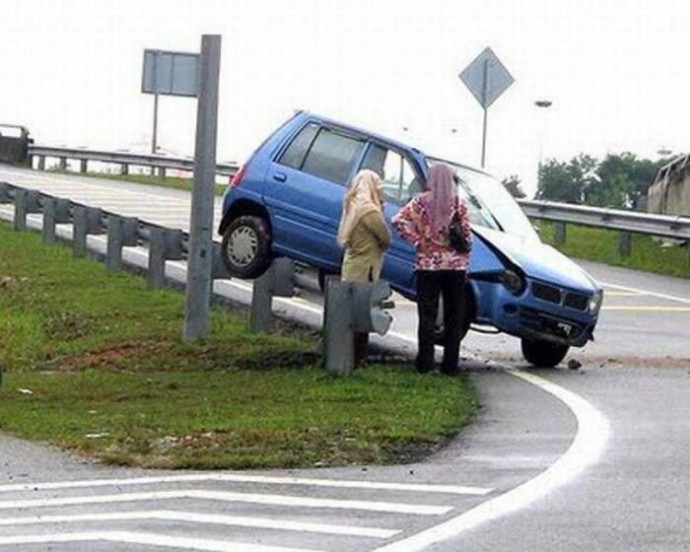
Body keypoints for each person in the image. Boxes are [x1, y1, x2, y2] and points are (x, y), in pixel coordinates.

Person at [392, 163, 472, 375]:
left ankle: (425, 363)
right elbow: (466, 236)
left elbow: (398, 220)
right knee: (454, 315)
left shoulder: (420, 202)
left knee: (427, 314)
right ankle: (450, 365)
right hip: (455, 267)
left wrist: (417, 240)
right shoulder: (459, 204)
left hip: (427, 264)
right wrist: (463, 261)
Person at [337, 169, 391, 366]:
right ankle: (359, 358)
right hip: (365, 268)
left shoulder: (351, 205)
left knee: (351, 313)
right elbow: (385, 237)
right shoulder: (368, 210)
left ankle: (348, 355)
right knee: (362, 314)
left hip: (351, 264)